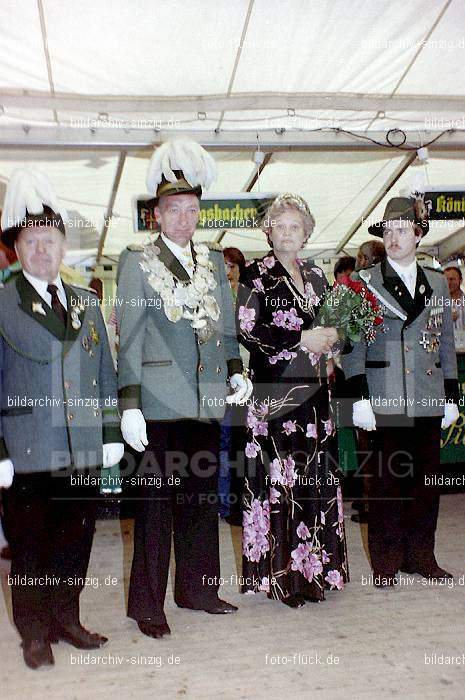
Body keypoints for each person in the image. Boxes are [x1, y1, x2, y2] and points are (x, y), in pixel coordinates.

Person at [117, 139, 252, 639]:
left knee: (200, 500)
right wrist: (128, 404)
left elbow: (226, 327)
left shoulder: (214, 262)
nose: (184, 219)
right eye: (174, 210)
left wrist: (235, 367)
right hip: (157, 401)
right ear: (157, 214)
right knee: (154, 509)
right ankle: (147, 605)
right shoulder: (135, 261)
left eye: (192, 210)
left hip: (205, 397)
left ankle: (197, 588)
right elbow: (128, 336)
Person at [0, 169, 123, 669]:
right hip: (26, 448)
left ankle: (67, 619)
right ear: (17, 248)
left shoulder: (86, 304)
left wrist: (111, 432)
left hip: (82, 448)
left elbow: (106, 374)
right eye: (31, 241)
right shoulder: (4, 303)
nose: (42, 250)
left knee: (76, 539)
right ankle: (33, 633)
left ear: (64, 245)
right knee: (29, 547)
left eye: (50, 240)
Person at [236, 193, 349, 608]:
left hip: (317, 398)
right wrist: (302, 337)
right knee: (280, 484)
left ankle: (314, 574)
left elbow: (341, 329)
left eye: (294, 227)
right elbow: (248, 331)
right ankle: (282, 579)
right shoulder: (255, 275)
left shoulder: (320, 277)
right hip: (276, 399)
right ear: (268, 231)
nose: (287, 233)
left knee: (314, 480)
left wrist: (338, 338)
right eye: (279, 226)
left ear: (306, 234)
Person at [341, 195, 459, 586]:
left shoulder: (438, 282)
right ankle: (387, 563)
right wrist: (359, 398)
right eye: (388, 230)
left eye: (402, 230)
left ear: (419, 234)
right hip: (384, 394)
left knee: (427, 484)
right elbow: (351, 346)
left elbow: (444, 343)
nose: (393, 238)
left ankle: (423, 556)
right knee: (387, 484)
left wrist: (452, 397)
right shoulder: (363, 283)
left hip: (426, 394)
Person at [350, 239, 386, 524]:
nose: (359, 261)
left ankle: (375, 505)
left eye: (364, 257)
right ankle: (368, 503)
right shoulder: (353, 286)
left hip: (384, 384)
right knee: (367, 449)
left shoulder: (376, 286)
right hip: (360, 382)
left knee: (378, 452)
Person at [219, 247, 248, 524]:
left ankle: (242, 503)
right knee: (226, 443)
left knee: (243, 443)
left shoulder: (249, 296)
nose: (228, 271)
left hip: (249, 379)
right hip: (224, 381)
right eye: (224, 265)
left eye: (232, 265)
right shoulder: (217, 296)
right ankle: (226, 505)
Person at [443, 266, 465, 332]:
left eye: (452, 279)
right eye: (445, 279)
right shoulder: (438, 304)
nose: (448, 283)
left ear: (460, 280)